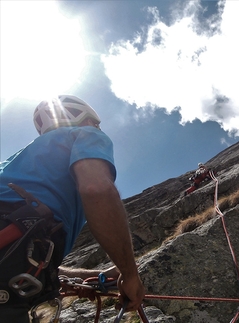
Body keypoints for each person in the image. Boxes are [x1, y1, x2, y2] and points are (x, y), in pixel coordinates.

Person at [0, 95, 145, 322]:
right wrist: (129, 274)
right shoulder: (86, 134)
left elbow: (33, 257)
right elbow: (95, 188)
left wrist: (97, 276)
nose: (97, 128)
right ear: (88, 119)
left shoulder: (12, 163)